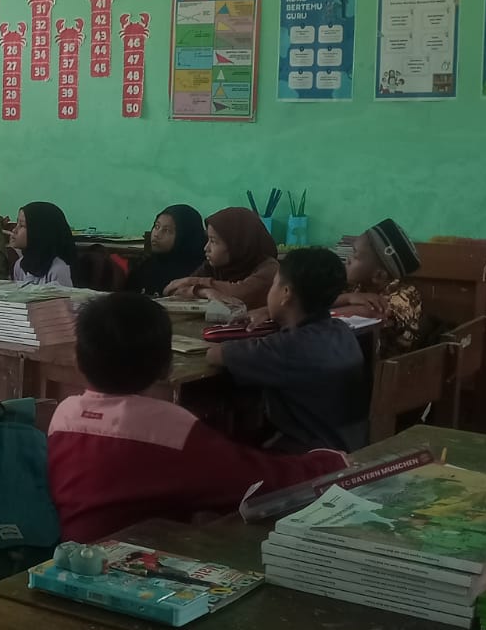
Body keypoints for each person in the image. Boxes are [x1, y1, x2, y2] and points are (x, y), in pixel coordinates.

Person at [47, 293, 347, 542]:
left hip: (70, 562)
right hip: (132, 570)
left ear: (78, 361)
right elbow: (256, 481)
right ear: (167, 366)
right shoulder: (170, 428)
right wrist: (330, 462)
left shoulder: (64, 415)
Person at [208, 247, 368, 453]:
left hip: (312, 456)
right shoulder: (341, 331)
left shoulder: (287, 347)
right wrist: (272, 314)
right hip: (351, 446)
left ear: (286, 293)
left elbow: (215, 355)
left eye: (274, 284)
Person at [336, 218, 426, 357]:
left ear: (378, 276)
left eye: (355, 256)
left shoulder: (404, 296)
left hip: (386, 367)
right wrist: (347, 297)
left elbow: (368, 315)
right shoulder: (357, 285)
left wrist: (334, 304)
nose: (348, 260)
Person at [163, 207, 278, 307]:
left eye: (213, 241)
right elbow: (172, 290)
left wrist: (192, 282)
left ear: (236, 245)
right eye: (208, 240)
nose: (206, 248)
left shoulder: (269, 268)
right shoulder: (213, 267)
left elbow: (240, 294)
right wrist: (204, 292)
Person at [125, 204, 207, 295]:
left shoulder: (199, 274)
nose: (157, 234)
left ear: (185, 236)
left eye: (167, 230)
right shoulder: (144, 267)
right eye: (157, 226)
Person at [10, 201, 77, 286]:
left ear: (39, 232)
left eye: (22, 225)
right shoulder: (20, 265)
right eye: (17, 223)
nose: (14, 230)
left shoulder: (58, 269)